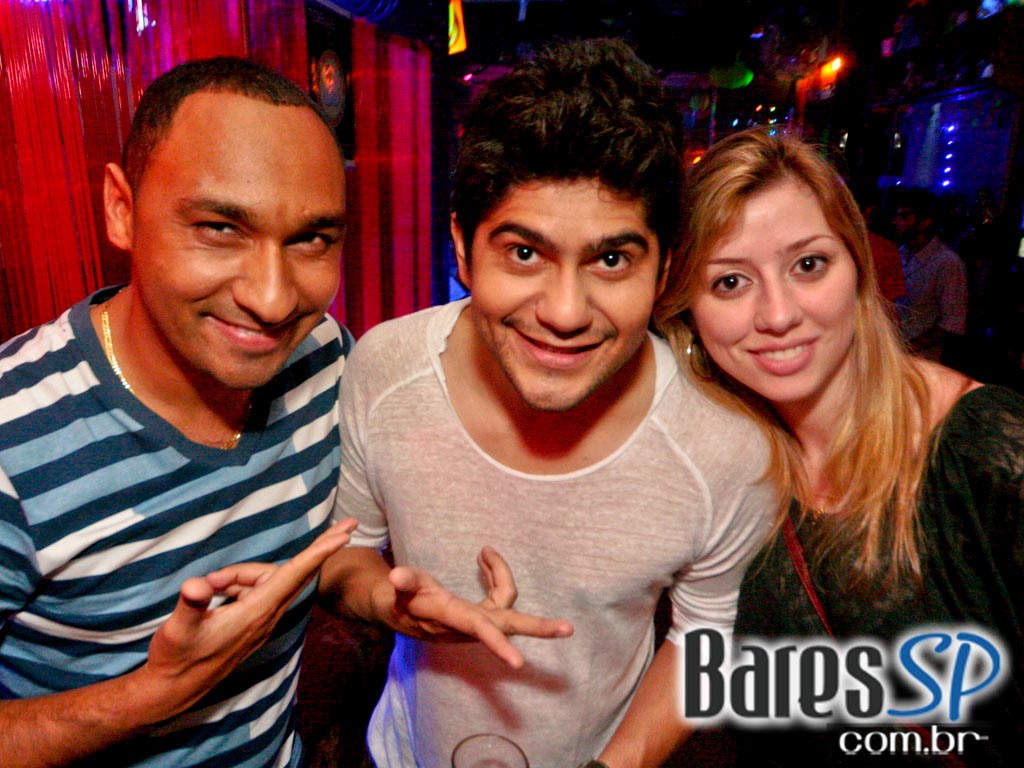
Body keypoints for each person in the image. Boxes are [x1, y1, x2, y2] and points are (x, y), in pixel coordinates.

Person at [319, 38, 774, 768]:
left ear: (664, 270)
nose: (565, 312)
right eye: (524, 253)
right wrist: (389, 604)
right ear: (462, 248)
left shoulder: (724, 448)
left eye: (612, 259)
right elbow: (345, 554)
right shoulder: (386, 368)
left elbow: (703, 638)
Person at [0, 57, 359, 767]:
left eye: (311, 239)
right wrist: (152, 694)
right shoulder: (13, 443)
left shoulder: (325, 357)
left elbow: (328, 552)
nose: (273, 300)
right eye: (221, 227)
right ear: (122, 209)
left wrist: (384, 598)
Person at [654, 128, 1023, 766]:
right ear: (690, 312)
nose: (777, 315)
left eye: (808, 265)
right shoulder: (726, 469)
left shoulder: (987, 450)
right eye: (730, 282)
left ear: (858, 268)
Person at [890, 187, 968, 362]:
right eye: (897, 216)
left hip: (918, 362)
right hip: (891, 356)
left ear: (924, 222)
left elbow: (952, 324)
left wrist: (905, 348)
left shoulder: (947, 263)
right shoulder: (899, 253)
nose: (896, 222)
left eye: (904, 217)